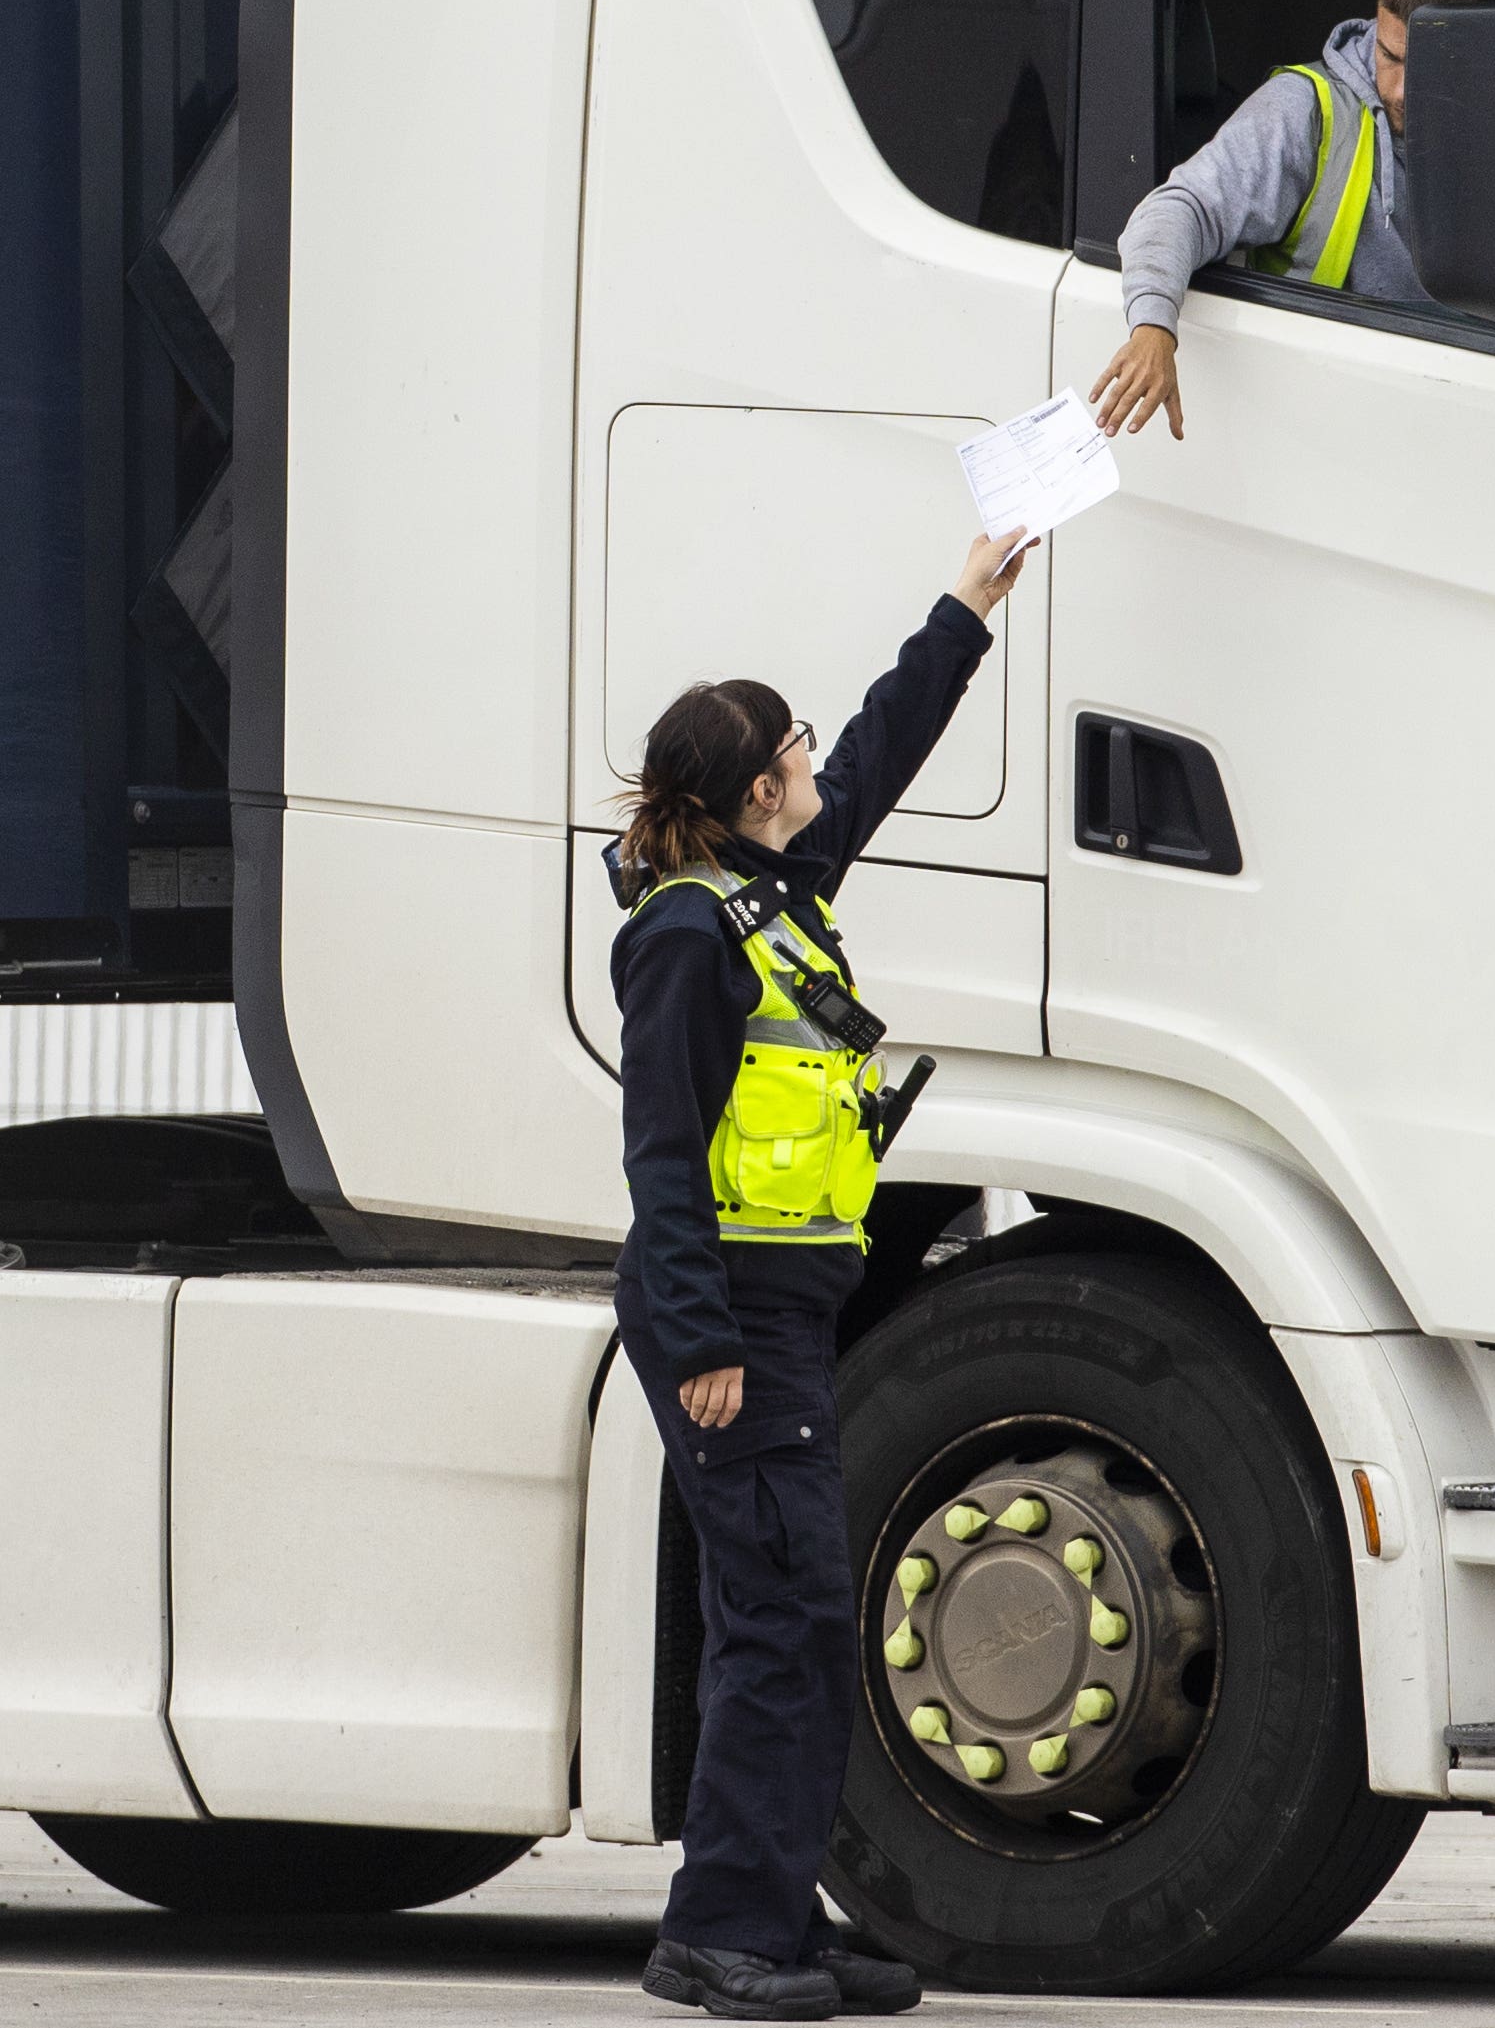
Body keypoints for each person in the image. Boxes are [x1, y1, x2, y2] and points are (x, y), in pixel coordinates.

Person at [611, 524, 1033, 2022]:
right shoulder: (686, 941)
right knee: (780, 1616)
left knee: (785, 1612)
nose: (812, 760)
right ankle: (720, 1931)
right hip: (727, 1319)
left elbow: (879, 745)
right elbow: (659, 1160)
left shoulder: (770, 892)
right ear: (746, 797)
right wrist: (702, 1335)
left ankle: (770, 1917)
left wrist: (966, 607)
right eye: (791, 749)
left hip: (782, 1310)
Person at [1085, 0, 1495, 440]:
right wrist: (1153, 326)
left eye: (1428, 67)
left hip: (1469, 419)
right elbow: (1182, 207)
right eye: (1390, 56)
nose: (1402, 90)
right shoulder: (1309, 112)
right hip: (1320, 421)